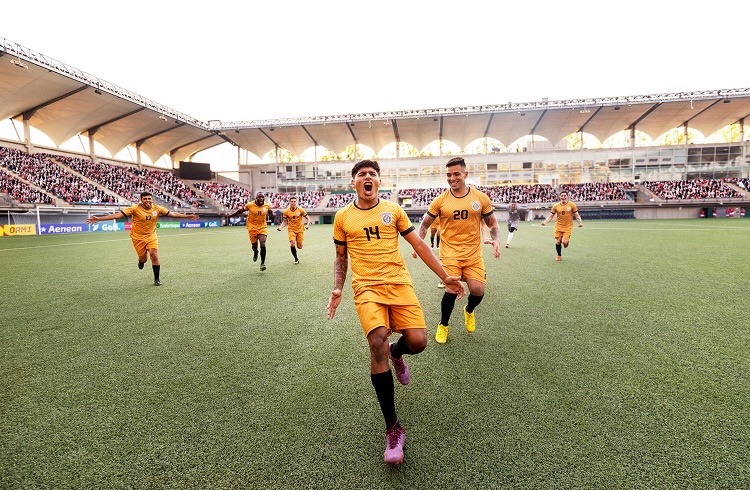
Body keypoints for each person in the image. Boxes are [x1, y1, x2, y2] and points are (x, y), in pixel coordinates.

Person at [326, 160, 463, 465]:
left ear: (379, 181)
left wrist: (445, 276)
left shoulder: (394, 210)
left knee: (418, 342)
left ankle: (397, 352)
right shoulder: (342, 217)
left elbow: (420, 245)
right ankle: (393, 429)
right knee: (376, 340)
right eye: (362, 174)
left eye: (372, 174)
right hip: (367, 289)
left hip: (399, 284)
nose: (368, 177)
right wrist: (337, 288)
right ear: (354, 183)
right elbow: (340, 257)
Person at [413, 156, 501, 344]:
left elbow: (492, 223)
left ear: (465, 174)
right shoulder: (440, 201)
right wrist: (417, 244)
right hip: (450, 253)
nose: (452, 178)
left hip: (473, 254)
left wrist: (496, 240)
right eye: (449, 175)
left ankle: (469, 310)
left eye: (456, 174)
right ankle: (443, 324)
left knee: (478, 290)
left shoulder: (480, 198)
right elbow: (425, 224)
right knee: (451, 290)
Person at [86, 191, 198, 286]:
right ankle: (141, 262)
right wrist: (99, 219)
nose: (148, 201)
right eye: (145, 199)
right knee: (143, 259)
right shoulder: (134, 208)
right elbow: (118, 215)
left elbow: (173, 214)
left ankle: (156, 279)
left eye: (149, 198)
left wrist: (188, 216)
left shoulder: (157, 208)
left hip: (151, 236)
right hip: (137, 237)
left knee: (154, 254)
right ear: (141, 200)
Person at [229, 192, 273, 270]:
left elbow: (270, 212)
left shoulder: (267, 205)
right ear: (256, 198)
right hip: (252, 227)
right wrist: (232, 215)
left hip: (262, 227)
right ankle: (255, 251)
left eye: (262, 197)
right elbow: (241, 210)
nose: (261, 199)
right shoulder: (250, 205)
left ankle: (262, 263)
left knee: (263, 243)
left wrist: (273, 217)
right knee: (254, 246)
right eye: (259, 197)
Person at [540, 190, 583, 261]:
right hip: (558, 226)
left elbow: (577, 215)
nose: (563, 197)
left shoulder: (572, 205)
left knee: (564, 242)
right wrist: (545, 222)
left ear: (567, 196)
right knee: (558, 241)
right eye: (562, 196)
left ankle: (566, 242)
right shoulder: (556, 206)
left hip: (568, 226)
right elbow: (551, 216)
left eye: (564, 195)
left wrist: (580, 223)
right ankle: (559, 256)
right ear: (560, 197)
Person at [276, 195, 311, 264]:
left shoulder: (300, 210)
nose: (293, 203)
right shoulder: (286, 211)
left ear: (296, 202)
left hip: (300, 229)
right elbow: (284, 221)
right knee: (292, 243)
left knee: (299, 246)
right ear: (289, 202)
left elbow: (308, 218)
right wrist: (281, 227)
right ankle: (296, 259)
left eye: (294, 201)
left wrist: (307, 225)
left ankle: (300, 243)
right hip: (291, 229)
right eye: (292, 201)